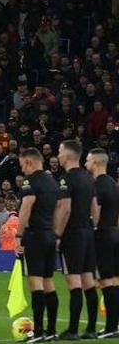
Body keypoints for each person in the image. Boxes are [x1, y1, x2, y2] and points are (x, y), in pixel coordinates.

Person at [17, 145, 63, 339]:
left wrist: (19, 236)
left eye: (22, 165)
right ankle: (51, 330)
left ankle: (37, 333)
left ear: (28, 162)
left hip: (34, 236)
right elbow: (59, 209)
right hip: (50, 235)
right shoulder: (52, 182)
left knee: (35, 283)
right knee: (49, 282)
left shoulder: (31, 181)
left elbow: (26, 207)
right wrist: (56, 233)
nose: (22, 170)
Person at [60, 140, 98, 338]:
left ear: (67, 155)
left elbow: (65, 209)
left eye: (59, 151)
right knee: (88, 281)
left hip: (72, 233)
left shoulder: (67, 179)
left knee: (74, 281)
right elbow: (95, 207)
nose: (58, 155)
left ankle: (73, 329)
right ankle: (91, 329)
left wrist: (57, 234)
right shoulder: (88, 177)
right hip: (88, 232)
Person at [92, 149, 119, 338]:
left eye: (87, 160)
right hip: (114, 233)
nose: (85, 163)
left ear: (95, 162)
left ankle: (111, 328)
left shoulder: (98, 185)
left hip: (102, 236)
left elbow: (96, 215)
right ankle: (115, 325)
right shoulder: (112, 183)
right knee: (115, 281)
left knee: (105, 282)